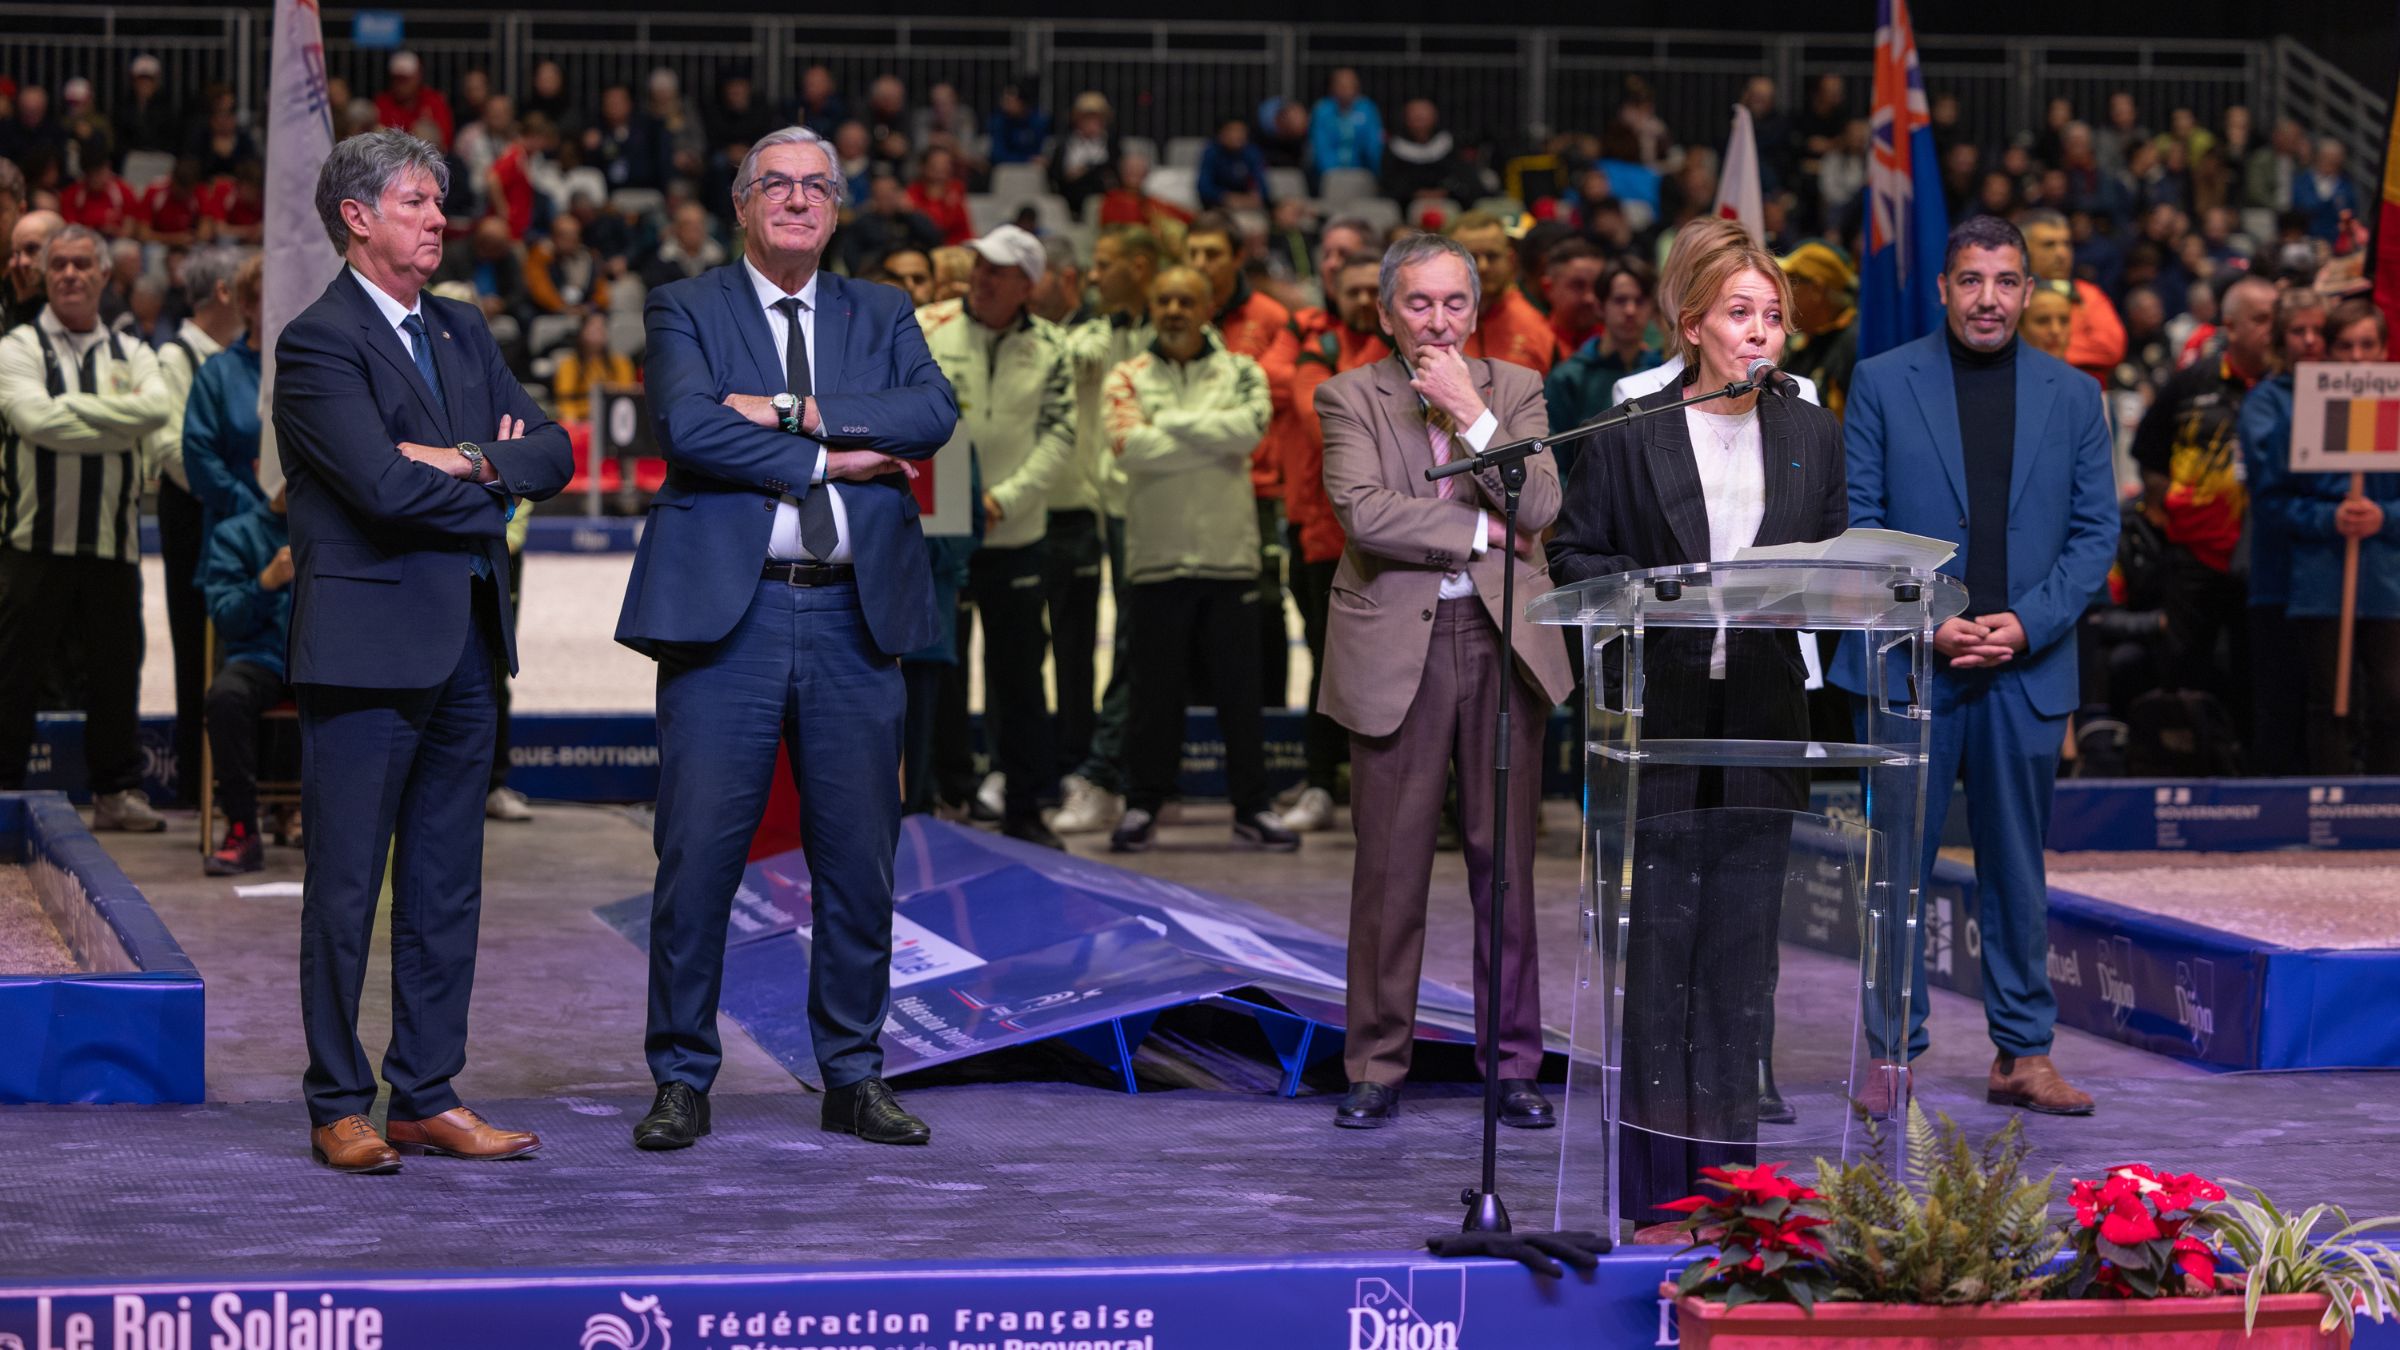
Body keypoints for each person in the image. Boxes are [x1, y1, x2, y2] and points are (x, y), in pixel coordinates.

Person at [615, 125, 955, 1152]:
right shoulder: (687, 305)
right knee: (698, 860)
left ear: (838, 206)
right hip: (735, 613)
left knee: (860, 862)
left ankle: (852, 1075)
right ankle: (681, 1077)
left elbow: (930, 413)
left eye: (817, 186)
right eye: (777, 185)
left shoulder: (882, 307)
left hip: (857, 619)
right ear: (742, 203)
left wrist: (792, 410)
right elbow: (689, 426)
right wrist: (844, 456)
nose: (798, 200)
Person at [271, 130, 574, 1173]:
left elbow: (554, 451)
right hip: (363, 652)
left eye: (439, 201)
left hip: (466, 650)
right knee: (347, 889)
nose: (440, 216)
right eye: (415, 201)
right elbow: (378, 489)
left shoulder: (462, 326)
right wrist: (491, 481)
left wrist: (463, 458)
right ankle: (337, 1101)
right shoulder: (316, 345)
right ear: (357, 218)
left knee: (446, 887)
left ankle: (425, 1095)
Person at [1546, 224, 1848, 1235]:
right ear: (1693, 326)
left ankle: (1735, 1198)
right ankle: (1660, 1199)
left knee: (1741, 972)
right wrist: (1656, 597)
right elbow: (1576, 556)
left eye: (1772, 316)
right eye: (1739, 314)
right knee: (1663, 967)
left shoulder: (1811, 431)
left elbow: (1838, 560)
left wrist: (1809, 593)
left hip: (1763, 720)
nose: (1759, 334)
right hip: (1660, 722)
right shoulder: (1629, 434)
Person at [1834, 214, 2117, 1119]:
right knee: (1895, 871)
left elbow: (2094, 534)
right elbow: (1862, 524)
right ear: (1945, 289)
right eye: (1970, 280)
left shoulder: (2075, 397)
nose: (1987, 298)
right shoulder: (1880, 382)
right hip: (1913, 663)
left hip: (2025, 668)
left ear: (2029, 292)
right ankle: (1890, 1054)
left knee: (2016, 872)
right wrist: (1935, 622)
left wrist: (2026, 625)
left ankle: (2022, 1054)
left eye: (2004, 281)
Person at [1316, 232, 1573, 1130]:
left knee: (1504, 866)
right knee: (1390, 870)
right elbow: (1364, 513)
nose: (1437, 320)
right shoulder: (1347, 395)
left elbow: (1542, 504)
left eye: (1453, 303)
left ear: (1478, 308)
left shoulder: (1518, 390)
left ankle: (1512, 1065)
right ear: (1385, 312)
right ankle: (1377, 1065)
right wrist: (1482, 534)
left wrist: (1473, 415)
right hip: (1397, 646)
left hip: (1503, 643)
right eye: (1417, 303)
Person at [1103, 267, 1296, 854]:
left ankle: (1252, 806)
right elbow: (1128, 449)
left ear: (1209, 306)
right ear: (1151, 306)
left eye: (1187, 299)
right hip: (1156, 559)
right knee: (1151, 696)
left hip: (1228, 556)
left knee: (1242, 694)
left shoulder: (1240, 370)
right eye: (1163, 299)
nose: (1174, 309)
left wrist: (1171, 426)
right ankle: (1142, 804)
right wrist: (1207, 439)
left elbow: (1249, 434)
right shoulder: (1126, 373)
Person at [0, 223, 172, 829]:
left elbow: (156, 409)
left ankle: (116, 791)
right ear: (44, 278)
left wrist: (65, 409)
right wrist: (114, 425)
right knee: (14, 671)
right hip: (33, 540)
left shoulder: (133, 351)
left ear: (102, 275)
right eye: (59, 266)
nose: (70, 274)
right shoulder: (18, 346)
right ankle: (3, 791)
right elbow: (31, 422)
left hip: (112, 540)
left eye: (81, 264)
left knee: (114, 669)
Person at [917, 224, 1074, 847]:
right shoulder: (930, 330)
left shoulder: (1053, 350)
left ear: (1027, 286)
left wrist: (1003, 501)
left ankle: (1026, 806)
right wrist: (950, 499)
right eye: (979, 265)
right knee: (936, 673)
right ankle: (935, 797)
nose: (982, 277)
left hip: (1015, 532)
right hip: (939, 533)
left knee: (1020, 676)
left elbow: (1060, 435)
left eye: (999, 270)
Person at [2246, 297, 2400, 774]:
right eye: (2345, 345)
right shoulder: (2298, 414)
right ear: (2330, 351)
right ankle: (2331, 810)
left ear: (2383, 349)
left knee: (2392, 700)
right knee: (2331, 701)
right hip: (2321, 579)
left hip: (2388, 579)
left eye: (2366, 345)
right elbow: (2271, 502)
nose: (2356, 357)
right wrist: (2326, 519)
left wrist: (2386, 517)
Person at [1048, 225, 1161, 835]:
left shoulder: (1179, 341)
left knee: (1141, 644)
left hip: (1168, 507)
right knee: (1128, 643)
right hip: (1112, 506)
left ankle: (1109, 774)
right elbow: (1065, 356)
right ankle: (1105, 774)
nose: (1095, 276)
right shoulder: (1094, 335)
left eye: (1106, 262)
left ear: (1139, 267)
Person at [2130, 274, 2275, 727]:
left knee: (2259, 672)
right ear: (2230, 325)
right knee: (2184, 666)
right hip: (2194, 554)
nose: (2274, 328)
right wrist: (2164, 510)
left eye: (2278, 319)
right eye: (2261, 319)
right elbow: (2150, 449)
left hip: (2266, 555)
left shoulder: (2286, 384)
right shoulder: (2193, 380)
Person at [1280, 247, 1389, 835]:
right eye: (1353, 290)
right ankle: (1322, 783)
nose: (1364, 301)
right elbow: (1313, 416)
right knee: (1329, 667)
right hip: (1326, 537)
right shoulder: (1318, 346)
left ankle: (1374, 784)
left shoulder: (1406, 351)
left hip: (1391, 539)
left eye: (1376, 289)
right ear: (1335, 294)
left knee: (1388, 668)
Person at [1186, 210, 1298, 715]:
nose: (1201, 263)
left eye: (1212, 253)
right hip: (1189, 485)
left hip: (1257, 487)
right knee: (1194, 603)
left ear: (1236, 258)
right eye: (1193, 253)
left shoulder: (1271, 317)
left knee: (1264, 606)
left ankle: (1271, 717)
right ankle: (1201, 718)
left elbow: (1278, 392)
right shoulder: (1177, 311)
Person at [150, 244, 248, 808]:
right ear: (224, 293)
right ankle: (195, 782)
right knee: (195, 647)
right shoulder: (174, 359)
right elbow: (172, 450)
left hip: (232, 513)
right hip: (196, 516)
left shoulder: (235, 358)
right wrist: (236, 495)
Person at [2233, 288, 2328, 776]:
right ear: (2279, 339)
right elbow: (2274, 487)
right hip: (2279, 581)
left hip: (2339, 579)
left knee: (2334, 706)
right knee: (2281, 706)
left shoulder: (2348, 390)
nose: (2311, 341)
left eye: (2319, 331)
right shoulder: (2266, 401)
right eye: (2299, 331)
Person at [197, 485, 293, 875]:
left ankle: (351, 838)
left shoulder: (337, 527)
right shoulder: (234, 535)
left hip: (325, 659)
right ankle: (242, 832)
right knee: (225, 697)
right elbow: (226, 619)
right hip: (262, 659)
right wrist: (266, 583)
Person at [181, 252, 267, 544]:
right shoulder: (218, 373)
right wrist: (255, 510)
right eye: (271, 297)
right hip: (237, 532)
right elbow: (199, 458)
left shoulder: (314, 367)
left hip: (307, 536)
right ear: (246, 305)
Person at [1543, 256, 1661, 455]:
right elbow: (1554, 461)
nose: (1630, 310)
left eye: (1639, 301)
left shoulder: (1661, 371)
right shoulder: (1568, 378)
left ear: (1651, 309)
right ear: (1599, 307)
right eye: (1620, 300)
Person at [1445, 211, 1563, 378]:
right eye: (1470, 258)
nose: (1482, 267)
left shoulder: (1540, 327)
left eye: (1492, 256)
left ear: (1511, 261)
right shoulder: (1429, 324)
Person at [2018, 209, 2124, 386]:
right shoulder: (2010, 296)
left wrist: (2039, 351)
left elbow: (2111, 349)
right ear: (2024, 251)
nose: (2061, 253)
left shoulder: (2089, 294)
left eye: (2066, 244)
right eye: (2049, 244)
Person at [1777, 240, 1859, 419]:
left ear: (1817, 289)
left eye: (1791, 281)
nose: (1780, 292)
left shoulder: (1856, 345)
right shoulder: (1804, 338)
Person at [1048, 92, 1119, 220]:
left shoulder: (1111, 145)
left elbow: (1114, 171)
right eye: (1087, 118)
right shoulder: (1065, 144)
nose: (1092, 123)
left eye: (1096, 118)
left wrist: (1086, 169)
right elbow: (1055, 173)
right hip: (1071, 194)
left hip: (1101, 194)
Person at [1310, 68, 1385, 181]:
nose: (1345, 89)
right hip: (1328, 174)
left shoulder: (1367, 108)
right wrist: (1330, 172)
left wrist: (1373, 172)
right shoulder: (1322, 110)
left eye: (1350, 85)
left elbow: (1373, 144)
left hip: (1361, 171)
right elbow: (1320, 145)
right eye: (1341, 85)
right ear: (1332, 87)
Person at [374, 52, 454, 151]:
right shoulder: (383, 102)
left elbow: (445, 140)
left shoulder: (434, 101)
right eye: (397, 79)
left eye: (406, 79)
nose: (401, 84)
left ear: (418, 76)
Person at [1540, 239, 1605, 356]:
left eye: (1598, 286)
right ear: (1548, 288)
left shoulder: (1624, 348)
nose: (1590, 298)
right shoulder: (1531, 345)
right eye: (1578, 286)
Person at [2291, 139, 2361, 244]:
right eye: (2327, 158)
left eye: (2335, 160)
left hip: (2337, 242)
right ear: (2318, 157)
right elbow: (2300, 207)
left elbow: (2350, 214)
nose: (2331, 163)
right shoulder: (2302, 181)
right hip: (2306, 238)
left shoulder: (2345, 186)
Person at [1197, 117, 1272, 211]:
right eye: (1232, 130)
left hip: (1247, 207)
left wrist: (1254, 197)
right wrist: (1225, 197)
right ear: (1221, 134)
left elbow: (1262, 185)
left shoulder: (1252, 153)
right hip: (1218, 207)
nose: (1237, 135)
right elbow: (1204, 187)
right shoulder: (1211, 152)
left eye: (1241, 131)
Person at [906, 145, 973, 247]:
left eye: (946, 163)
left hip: (961, 246)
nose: (941, 168)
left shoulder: (956, 188)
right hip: (929, 248)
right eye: (936, 163)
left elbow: (962, 225)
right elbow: (933, 227)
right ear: (924, 166)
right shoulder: (913, 192)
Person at [2021, 278, 2076, 361]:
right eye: (2043, 321)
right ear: (2020, 329)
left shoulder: (2077, 374)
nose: (2055, 330)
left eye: (2064, 321)